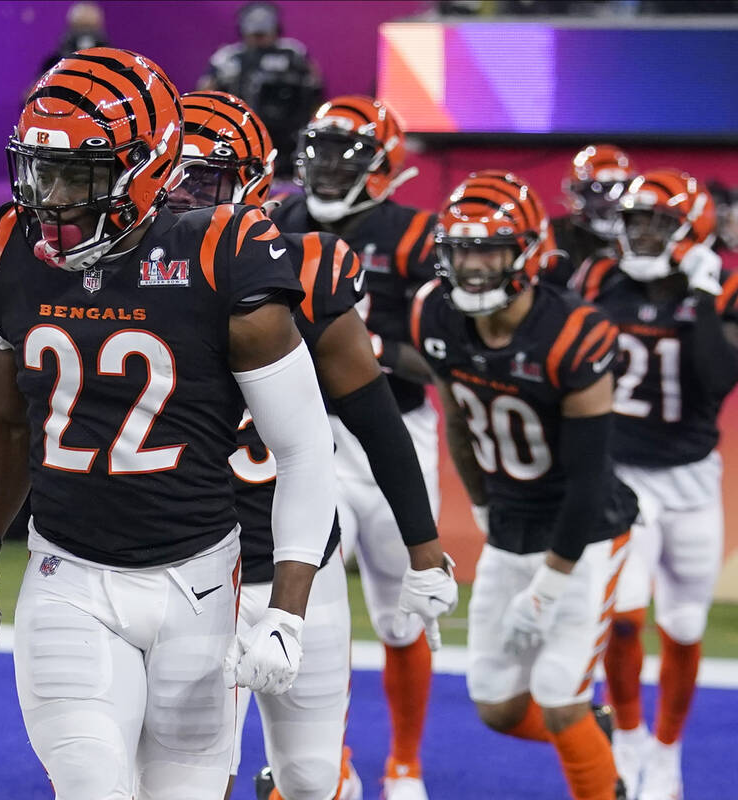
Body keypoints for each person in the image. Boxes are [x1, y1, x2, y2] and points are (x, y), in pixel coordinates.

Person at [0, 48, 344, 799]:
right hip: (69, 574)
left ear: (150, 168)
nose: (52, 200)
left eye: (80, 177)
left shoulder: (224, 251)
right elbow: (6, 421)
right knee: (92, 784)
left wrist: (288, 608)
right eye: (40, 172)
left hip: (198, 580)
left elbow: (304, 448)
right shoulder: (7, 249)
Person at [169, 90, 456, 800]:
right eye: (178, 177)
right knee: (191, 770)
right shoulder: (136, 270)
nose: (188, 197)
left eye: (209, 180)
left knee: (315, 756)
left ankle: (402, 762)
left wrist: (426, 545)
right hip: (197, 541)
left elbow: (409, 383)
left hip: (322, 461)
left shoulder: (325, 260)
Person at [412, 170, 638, 800]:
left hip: (585, 534)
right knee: (496, 706)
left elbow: (591, 474)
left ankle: (601, 776)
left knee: (560, 699)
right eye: (461, 248)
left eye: (489, 248)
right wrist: (485, 512)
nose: (473, 265)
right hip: (510, 525)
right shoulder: (434, 311)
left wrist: (553, 582)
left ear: (528, 251)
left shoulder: (573, 332)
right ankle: (596, 739)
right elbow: (457, 420)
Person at [267, 94, 444, 800]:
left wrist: (365, 348)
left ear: (382, 165)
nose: (330, 169)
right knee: (308, 601)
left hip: (393, 428)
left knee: (403, 619)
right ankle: (326, 755)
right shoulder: (278, 221)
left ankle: (404, 761)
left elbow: (443, 354)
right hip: (304, 432)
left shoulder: (416, 235)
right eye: (321, 152)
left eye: (347, 154)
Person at [571, 169, 738, 800]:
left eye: (660, 223)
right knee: (623, 620)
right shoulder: (598, 279)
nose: (644, 234)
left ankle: (667, 754)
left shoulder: (729, 290)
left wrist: (701, 297)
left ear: (692, 233)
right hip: (624, 482)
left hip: (693, 483)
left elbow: (717, 377)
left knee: (682, 625)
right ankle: (627, 740)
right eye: (637, 221)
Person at [198, 2, 322, 179]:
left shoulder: (293, 53)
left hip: (289, 136)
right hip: (240, 133)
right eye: (255, 35)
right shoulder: (228, 58)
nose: (259, 41)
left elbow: (316, 87)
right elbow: (204, 96)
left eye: (263, 35)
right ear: (243, 31)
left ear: (276, 30)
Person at [549, 144, 637, 288]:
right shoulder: (555, 237)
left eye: (621, 190)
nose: (610, 202)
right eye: (597, 192)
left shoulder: (643, 235)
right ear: (578, 192)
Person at [39, 2, 109, 73]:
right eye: (80, 26)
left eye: (90, 27)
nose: (85, 32)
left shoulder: (112, 65)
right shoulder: (53, 64)